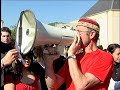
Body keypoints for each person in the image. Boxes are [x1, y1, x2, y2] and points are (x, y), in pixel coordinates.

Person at [44, 18, 114, 90]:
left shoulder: (105, 57)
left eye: (79, 32)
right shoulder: (74, 58)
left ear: (92, 34)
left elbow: (81, 85)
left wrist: (71, 54)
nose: (75, 36)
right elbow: (52, 86)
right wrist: (48, 63)